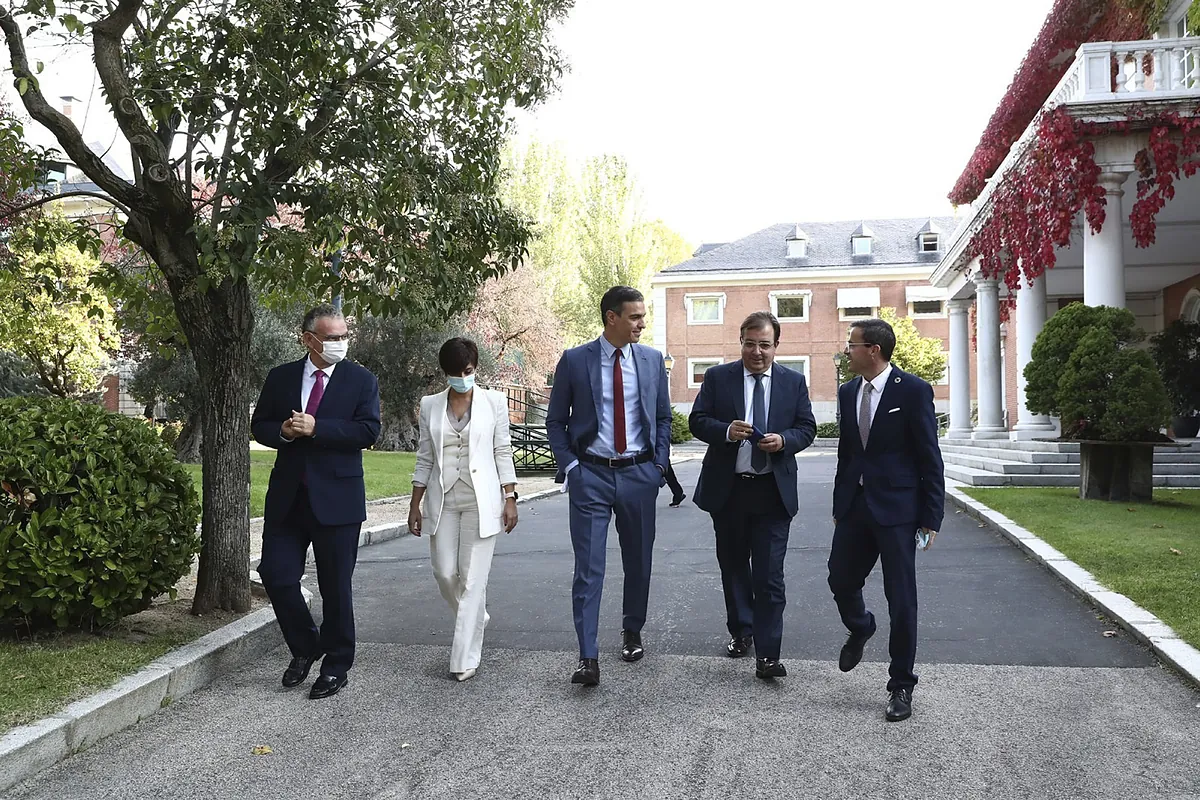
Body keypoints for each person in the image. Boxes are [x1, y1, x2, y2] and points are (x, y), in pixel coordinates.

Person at [251, 304, 381, 700]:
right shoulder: (281, 377)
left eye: (344, 336)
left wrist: (317, 428)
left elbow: (368, 431)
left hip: (338, 500)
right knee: (275, 574)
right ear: (308, 339)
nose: (340, 343)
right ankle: (307, 645)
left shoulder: (361, 380)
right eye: (332, 337)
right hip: (288, 499)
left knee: (335, 587)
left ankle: (336, 666)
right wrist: (284, 432)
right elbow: (260, 426)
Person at [546, 285, 672, 686]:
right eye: (635, 317)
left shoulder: (652, 361)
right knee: (588, 568)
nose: (642, 323)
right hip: (591, 476)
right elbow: (555, 421)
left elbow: (663, 417)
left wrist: (658, 465)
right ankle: (588, 656)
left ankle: (632, 629)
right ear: (611, 318)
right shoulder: (575, 360)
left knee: (639, 561)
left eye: (643, 316)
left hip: (639, 474)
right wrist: (571, 467)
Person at [688, 311, 816, 680]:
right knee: (733, 569)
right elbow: (698, 420)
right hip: (729, 491)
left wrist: (784, 440)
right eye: (750, 344)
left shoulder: (793, 382)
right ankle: (742, 630)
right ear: (740, 342)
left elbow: (806, 427)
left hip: (773, 492)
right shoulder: (718, 377)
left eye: (764, 345)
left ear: (776, 346)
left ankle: (768, 654)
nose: (756, 352)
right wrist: (726, 431)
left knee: (770, 575)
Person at [829, 317, 944, 722]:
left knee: (902, 599)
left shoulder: (912, 390)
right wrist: (839, 505)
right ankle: (861, 626)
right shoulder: (848, 391)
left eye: (852, 344)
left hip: (898, 510)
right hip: (855, 508)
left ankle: (901, 685)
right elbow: (847, 454)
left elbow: (929, 456)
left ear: (873, 350)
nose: (847, 350)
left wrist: (931, 516)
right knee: (840, 579)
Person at [408, 337, 519, 682]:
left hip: (481, 501)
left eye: (468, 371)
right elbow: (425, 456)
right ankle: (475, 617)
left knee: (472, 579)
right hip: (443, 499)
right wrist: (414, 503)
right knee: (444, 572)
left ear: (476, 368)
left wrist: (510, 496)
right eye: (455, 373)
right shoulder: (430, 405)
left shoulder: (494, 402)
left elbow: (502, 450)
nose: (462, 378)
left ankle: (463, 659)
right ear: (445, 373)